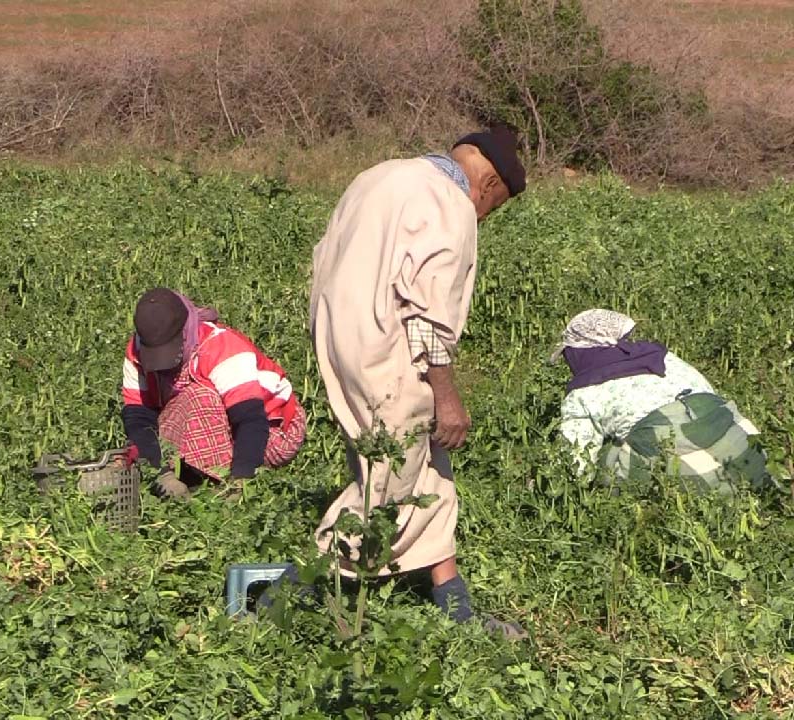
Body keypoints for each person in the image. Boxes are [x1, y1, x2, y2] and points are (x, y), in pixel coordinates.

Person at [308, 127, 526, 637]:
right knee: (390, 485)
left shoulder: (378, 177)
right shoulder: (449, 204)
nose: (485, 214)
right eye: (494, 205)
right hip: (390, 354)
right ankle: (298, 587)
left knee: (430, 467)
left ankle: (457, 608)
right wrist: (446, 396)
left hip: (339, 342)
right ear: (489, 183)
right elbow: (428, 313)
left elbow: (323, 260)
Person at [555, 309, 770, 492]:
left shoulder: (582, 394)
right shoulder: (663, 357)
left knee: (606, 454)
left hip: (682, 468)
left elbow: (575, 463)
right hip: (747, 453)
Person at [121, 288, 306, 497]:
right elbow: (139, 416)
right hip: (223, 429)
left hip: (272, 432)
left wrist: (241, 482)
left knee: (197, 395)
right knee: (181, 403)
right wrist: (159, 472)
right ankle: (184, 475)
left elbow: (251, 419)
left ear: (184, 332)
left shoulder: (220, 347)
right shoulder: (137, 352)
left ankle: (217, 484)